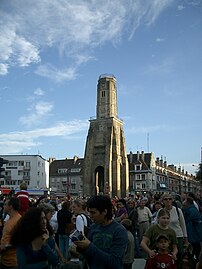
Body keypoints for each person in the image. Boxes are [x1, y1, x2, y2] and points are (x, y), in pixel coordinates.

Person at [74, 194, 128, 269]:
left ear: (104, 212)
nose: (90, 215)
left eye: (93, 212)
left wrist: (89, 246)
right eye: (89, 212)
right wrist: (80, 248)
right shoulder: (93, 227)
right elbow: (89, 255)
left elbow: (115, 263)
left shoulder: (119, 231)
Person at [162, 193, 188, 269]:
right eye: (166, 199)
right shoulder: (161, 211)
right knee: (168, 255)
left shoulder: (177, 210)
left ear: (172, 200)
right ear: (163, 201)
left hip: (178, 236)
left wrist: (185, 238)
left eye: (170, 199)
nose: (168, 201)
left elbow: (183, 225)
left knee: (179, 254)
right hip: (166, 236)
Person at [0, 197, 22, 269]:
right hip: (5, 260)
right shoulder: (9, 219)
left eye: (5, 204)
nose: (3, 206)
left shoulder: (18, 221)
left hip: (13, 262)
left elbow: (20, 241)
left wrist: (5, 246)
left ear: (11, 207)